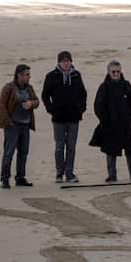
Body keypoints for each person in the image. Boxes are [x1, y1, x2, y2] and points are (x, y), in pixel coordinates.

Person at [89, 59, 131, 182]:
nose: (116, 74)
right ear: (109, 72)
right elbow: (98, 106)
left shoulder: (126, 85)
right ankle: (112, 175)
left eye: (118, 71)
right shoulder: (104, 87)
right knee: (110, 151)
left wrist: (129, 116)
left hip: (126, 124)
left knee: (130, 150)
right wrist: (105, 120)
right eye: (113, 72)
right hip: (109, 125)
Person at [41, 50, 86, 184]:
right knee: (59, 146)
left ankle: (69, 173)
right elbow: (45, 95)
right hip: (58, 117)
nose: (66, 63)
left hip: (74, 117)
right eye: (63, 61)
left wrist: (81, 109)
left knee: (71, 147)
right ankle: (59, 173)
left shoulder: (77, 75)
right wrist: (51, 109)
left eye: (68, 61)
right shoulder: (51, 76)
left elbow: (83, 94)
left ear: (71, 62)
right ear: (59, 62)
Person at [0, 64, 39, 188]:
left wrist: (31, 104)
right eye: (27, 75)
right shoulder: (8, 87)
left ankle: (20, 178)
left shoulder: (29, 88)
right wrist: (8, 121)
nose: (29, 77)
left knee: (23, 152)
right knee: (9, 153)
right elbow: (1, 105)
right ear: (19, 75)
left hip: (25, 125)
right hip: (12, 126)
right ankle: (5, 179)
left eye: (29, 74)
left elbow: (37, 101)